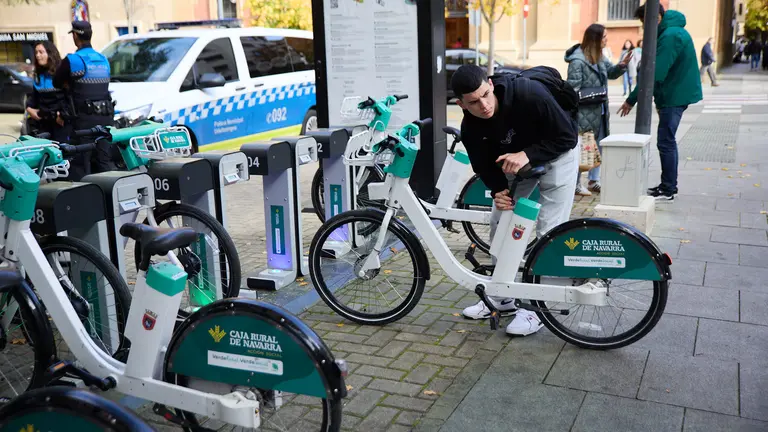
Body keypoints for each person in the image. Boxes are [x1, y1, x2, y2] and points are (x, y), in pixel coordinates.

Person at [451, 64, 579, 336]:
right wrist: (498, 190)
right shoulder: (470, 126)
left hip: (558, 152)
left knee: (549, 229)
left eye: (486, 94)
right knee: (501, 221)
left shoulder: (528, 94)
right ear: (461, 104)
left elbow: (567, 136)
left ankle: (537, 307)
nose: (483, 105)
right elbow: (482, 165)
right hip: (515, 162)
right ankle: (501, 293)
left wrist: (528, 154)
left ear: (491, 84)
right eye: (473, 102)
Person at [618, 5, 702, 202]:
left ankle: (668, 189)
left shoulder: (670, 35)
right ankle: (667, 185)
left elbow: (655, 73)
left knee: (666, 141)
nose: (643, 27)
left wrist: (631, 100)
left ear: (656, 17)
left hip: (675, 95)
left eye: (644, 21)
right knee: (666, 140)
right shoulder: (670, 31)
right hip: (673, 94)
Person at [566, 24, 632, 196]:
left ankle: (594, 180)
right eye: (604, 37)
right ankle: (575, 184)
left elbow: (611, 72)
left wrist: (621, 66)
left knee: (599, 145)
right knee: (584, 148)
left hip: (600, 110)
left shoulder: (600, 57)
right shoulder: (577, 61)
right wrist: (589, 96)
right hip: (585, 112)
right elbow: (571, 91)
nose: (606, 40)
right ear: (594, 39)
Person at [53, 20, 116, 181]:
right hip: (105, 119)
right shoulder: (103, 60)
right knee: (104, 160)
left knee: (81, 163)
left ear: (75, 36)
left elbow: (56, 82)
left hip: (82, 122)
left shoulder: (73, 60)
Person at [26, 41, 71, 142]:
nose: (37, 55)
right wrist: (29, 108)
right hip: (42, 124)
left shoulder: (61, 73)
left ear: (50, 53)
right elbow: (34, 97)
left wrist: (63, 115)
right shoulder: (38, 75)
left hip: (60, 123)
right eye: (36, 52)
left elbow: (69, 97)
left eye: (41, 52)